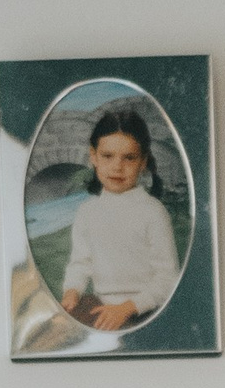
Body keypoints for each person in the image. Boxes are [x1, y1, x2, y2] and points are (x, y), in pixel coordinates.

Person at [54, 103, 179, 332]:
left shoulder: (153, 212)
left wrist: (128, 308)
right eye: (108, 156)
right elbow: (80, 264)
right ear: (93, 156)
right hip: (101, 306)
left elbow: (168, 279)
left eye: (129, 158)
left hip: (144, 310)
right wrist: (72, 290)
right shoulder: (87, 212)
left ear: (143, 162)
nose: (117, 167)